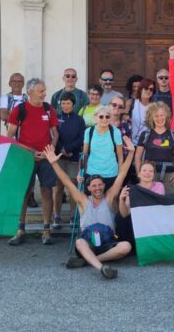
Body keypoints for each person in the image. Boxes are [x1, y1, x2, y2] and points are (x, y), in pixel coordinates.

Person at [44, 145, 133, 279]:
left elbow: (122, 174)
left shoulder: (109, 198)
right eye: (94, 186)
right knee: (79, 242)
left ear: (104, 185)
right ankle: (101, 267)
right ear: (88, 188)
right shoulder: (84, 200)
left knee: (126, 246)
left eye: (100, 185)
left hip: (108, 242)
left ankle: (88, 260)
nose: (97, 188)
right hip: (88, 242)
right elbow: (67, 182)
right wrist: (54, 163)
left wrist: (131, 152)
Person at [7, 78, 59, 246]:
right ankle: (20, 229)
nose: (44, 94)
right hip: (25, 157)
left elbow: (55, 134)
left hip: (45, 157)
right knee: (24, 192)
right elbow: (10, 137)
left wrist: (48, 152)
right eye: (41, 91)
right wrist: (30, 152)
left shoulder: (49, 109)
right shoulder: (19, 110)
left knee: (46, 191)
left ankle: (46, 229)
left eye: (44, 91)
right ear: (30, 92)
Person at [52, 91, 86, 229]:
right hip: (59, 157)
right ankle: (56, 216)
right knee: (58, 187)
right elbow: (54, 135)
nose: (65, 106)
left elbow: (82, 138)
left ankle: (74, 216)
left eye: (68, 103)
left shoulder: (79, 120)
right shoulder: (56, 118)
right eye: (63, 103)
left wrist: (69, 148)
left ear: (73, 104)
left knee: (73, 187)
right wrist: (61, 149)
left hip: (74, 156)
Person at [135, 102, 174, 194]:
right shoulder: (145, 134)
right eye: (156, 116)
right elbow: (137, 157)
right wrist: (139, 174)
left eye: (162, 115)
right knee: (150, 201)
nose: (159, 118)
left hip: (170, 174)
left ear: (167, 116)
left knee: (171, 202)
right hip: (149, 173)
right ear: (151, 118)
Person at [82, 106, 125, 192]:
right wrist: (80, 173)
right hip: (92, 173)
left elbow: (120, 157)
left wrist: (120, 177)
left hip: (111, 173)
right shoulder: (88, 131)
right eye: (101, 116)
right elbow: (84, 155)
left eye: (107, 116)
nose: (104, 119)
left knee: (110, 203)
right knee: (91, 202)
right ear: (95, 118)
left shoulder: (115, 132)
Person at [130, 78, 155, 144]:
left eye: (151, 89)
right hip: (132, 142)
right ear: (141, 89)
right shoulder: (131, 103)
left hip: (149, 143)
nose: (148, 91)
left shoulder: (155, 106)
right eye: (146, 88)